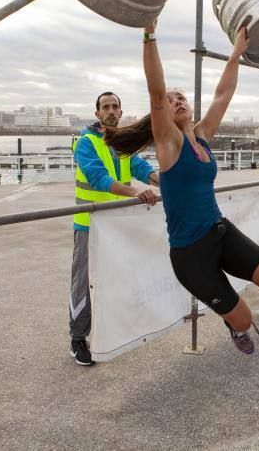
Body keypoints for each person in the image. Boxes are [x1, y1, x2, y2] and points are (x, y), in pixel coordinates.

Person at [103, 20, 259, 360]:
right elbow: (154, 89)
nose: (175, 100)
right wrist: (149, 34)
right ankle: (235, 325)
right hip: (191, 255)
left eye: (181, 97)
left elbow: (223, 94)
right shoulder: (167, 141)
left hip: (220, 232)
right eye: (170, 98)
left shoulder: (202, 136)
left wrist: (236, 52)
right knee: (245, 318)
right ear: (160, 112)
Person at [69, 91, 159, 366]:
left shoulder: (121, 144)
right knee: (83, 284)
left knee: (116, 280)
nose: (110, 111)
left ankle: (113, 332)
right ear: (97, 114)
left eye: (115, 106)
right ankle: (77, 339)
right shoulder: (86, 142)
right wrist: (135, 192)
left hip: (117, 226)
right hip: (90, 224)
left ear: (121, 112)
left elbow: (140, 167)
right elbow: (97, 177)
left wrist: (162, 182)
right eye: (105, 107)